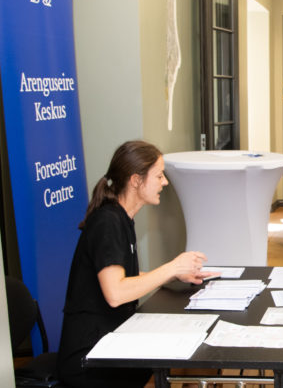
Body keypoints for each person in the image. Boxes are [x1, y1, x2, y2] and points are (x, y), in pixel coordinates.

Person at [57, 140, 218, 388]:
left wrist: (174, 275)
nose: (164, 182)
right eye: (159, 175)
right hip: (90, 357)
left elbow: (124, 276)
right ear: (135, 180)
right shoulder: (108, 222)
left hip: (111, 340)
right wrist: (172, 267)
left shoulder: (120, 217)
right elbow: (116, 293)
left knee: (193, 353)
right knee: (190, 356)